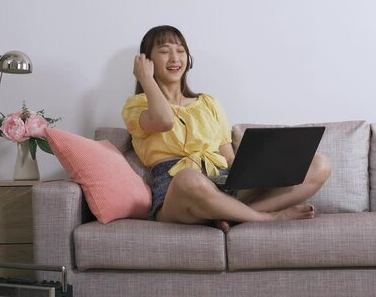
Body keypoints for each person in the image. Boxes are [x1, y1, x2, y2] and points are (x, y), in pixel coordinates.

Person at [122, 25, 332, 232]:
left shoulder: (208, 103)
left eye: (180, 51)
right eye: (165, 51)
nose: (175, 58)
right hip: (177, 192)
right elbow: (164, 120)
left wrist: (259, 169)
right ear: (146, 62)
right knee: (188, 177)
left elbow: (229, 157)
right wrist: (145, 79)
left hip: (222, 182)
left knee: (320, 164)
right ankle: (263, 217)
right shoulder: (137, 106)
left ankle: (228, 215)